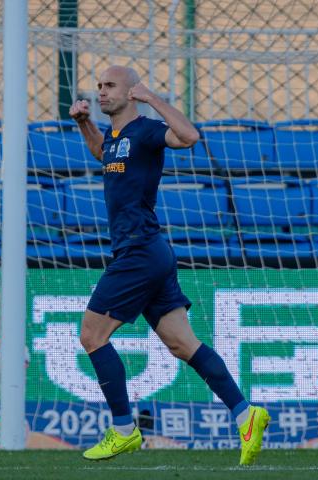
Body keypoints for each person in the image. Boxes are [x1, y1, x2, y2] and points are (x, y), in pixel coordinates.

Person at [69, 65, 269, 465]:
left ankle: (123, 429)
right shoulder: (115, 136)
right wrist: (84, 123)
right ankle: (245, 414)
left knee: (92, 335)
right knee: (182, 344)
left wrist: (152, 99)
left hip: (138, 252)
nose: (101, 92)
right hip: (149, 252)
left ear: (132, 91)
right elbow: (101, 153)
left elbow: (190, 136)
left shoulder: (145, 130)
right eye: (99, 86)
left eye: (110, 86)